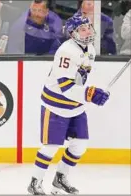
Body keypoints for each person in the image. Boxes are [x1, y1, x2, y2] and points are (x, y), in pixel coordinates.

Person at [27, 13, 110, 195]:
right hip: (55, 105)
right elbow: (66, 87)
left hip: (76, 106)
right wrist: (90, 94)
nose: (88, 30)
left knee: (80, 145)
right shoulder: (66, 51)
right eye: (82, 28)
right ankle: (35, 182)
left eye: (88, 26)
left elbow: (83, 79)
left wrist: (96, 92)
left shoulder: (90, 49)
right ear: (73, 34)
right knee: (50, 146)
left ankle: (60, 179)